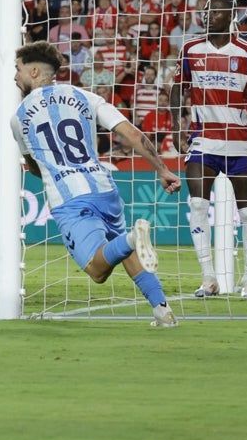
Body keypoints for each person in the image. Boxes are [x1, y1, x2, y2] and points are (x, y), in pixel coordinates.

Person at [13, 41, 179, 328]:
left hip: (70, 199)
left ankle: (132, 238)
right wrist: (162, 169)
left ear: (35, 71)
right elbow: (131, 133)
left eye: (18, 70)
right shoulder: (86, 96)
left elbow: (35, 169)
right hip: (104, 188)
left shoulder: (18, 117)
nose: (15, 76)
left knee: (97, 270)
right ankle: (162, 309)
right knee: (121, 249)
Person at [170, 0, 247, 299]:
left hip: (240, 144)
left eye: (215, 12)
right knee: (198, 206)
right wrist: (177, 125)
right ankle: (208, 278)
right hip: (204, 141)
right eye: (206, 11)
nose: (208, 16)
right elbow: (178, 89)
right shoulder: (191, 49)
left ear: (230, 16)